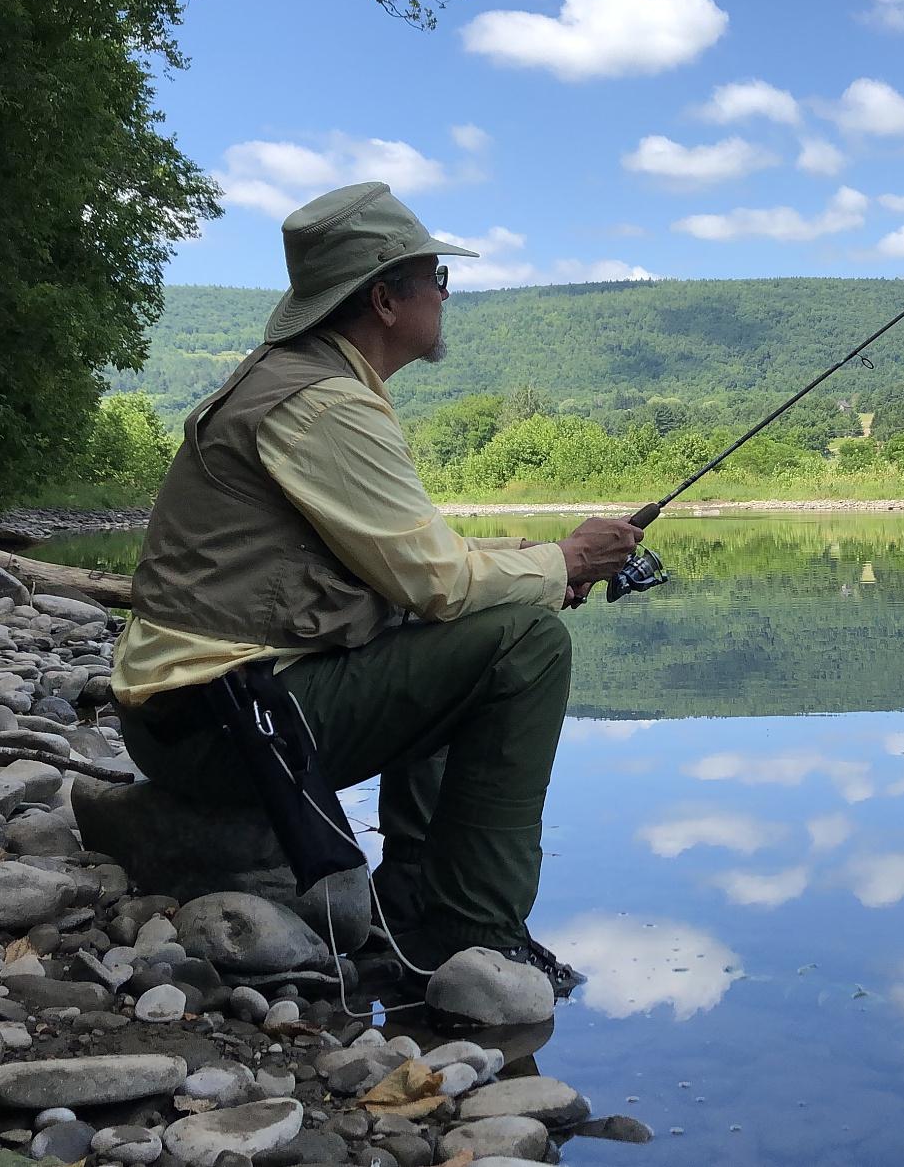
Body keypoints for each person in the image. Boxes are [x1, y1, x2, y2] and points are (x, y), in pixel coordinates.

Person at [109, 180, 644, 996]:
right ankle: (475, 935)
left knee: (482, 621)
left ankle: (409, 904)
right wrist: (563, 565)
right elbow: (434, 582)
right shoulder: (324, 405)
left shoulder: (302, 380)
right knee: (526, 642)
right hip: (224, 728)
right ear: (388, 298)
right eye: (438, 280)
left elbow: (405, 560)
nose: (445, 296)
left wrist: (538, 559)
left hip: (194, 712)